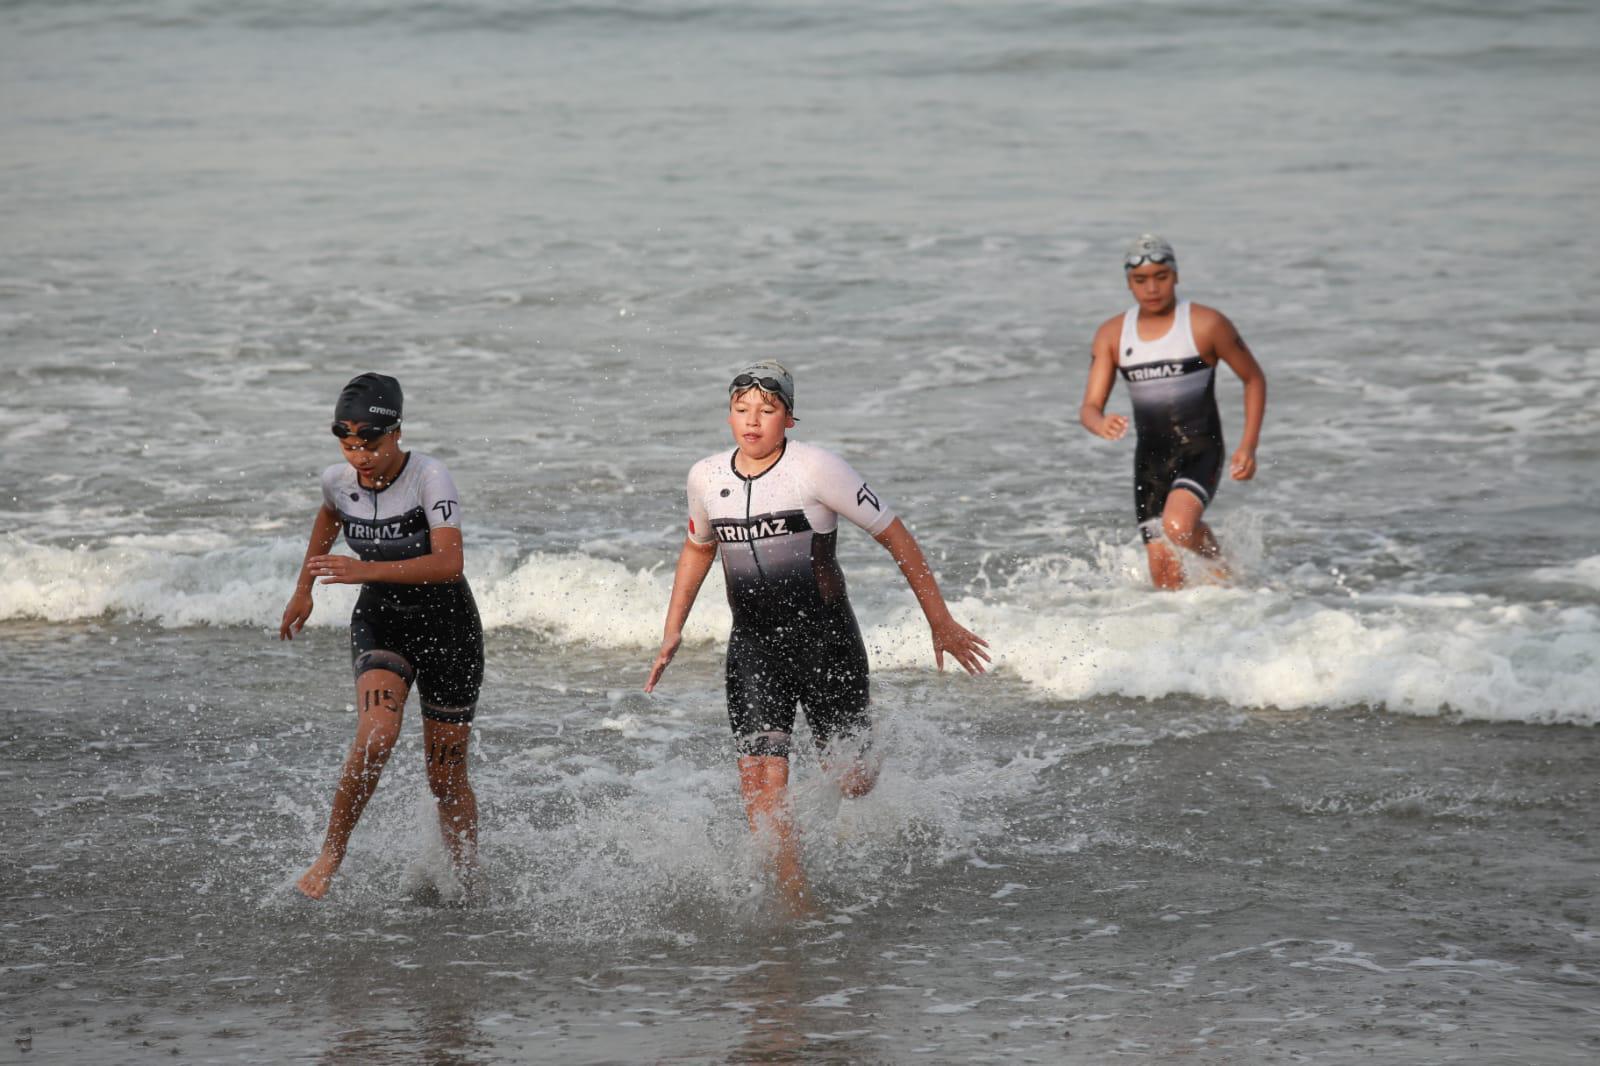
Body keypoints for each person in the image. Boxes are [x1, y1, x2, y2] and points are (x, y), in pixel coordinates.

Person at [644, 360, 989, 912]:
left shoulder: (819, 470)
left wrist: (940, 621)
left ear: (790, 418)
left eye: (767, 409)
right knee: (760, 777)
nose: (752, 421)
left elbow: (896, 537)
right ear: (728, 415)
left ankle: (868, 744)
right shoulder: (705, 477)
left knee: (852, 781)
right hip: (753, 647)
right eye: (741, 409)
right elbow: (698, 547)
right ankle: (795, 897)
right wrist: (672, 629)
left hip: (825, 641)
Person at [279, 372, 484, 900]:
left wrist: (361, 570)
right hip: (382, 620)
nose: (360, 457)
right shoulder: (338, 480)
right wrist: (304, 589)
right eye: (349, 445)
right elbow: (328, 517)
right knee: (375, 736)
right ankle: (330, 856)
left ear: (396, 433)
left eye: (370, 444)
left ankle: (465, 881)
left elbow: (448, 563)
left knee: (445, 778)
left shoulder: (429, 477)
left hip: (449, 628)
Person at [1079, 234, 1267, 589]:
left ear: (1176, 276)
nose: (1152, 288)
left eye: (1161, 277)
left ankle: (1221, 566)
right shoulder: (1113, 334)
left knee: (1178, 527)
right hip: (1150, 462)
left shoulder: (1206, 324)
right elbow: (1089, 407)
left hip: (1201, 449)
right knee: (1166, 582)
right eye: (1141, 280)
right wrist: (1099, 423)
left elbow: (1253, 378)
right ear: (1129, 284)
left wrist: (1249, 445)